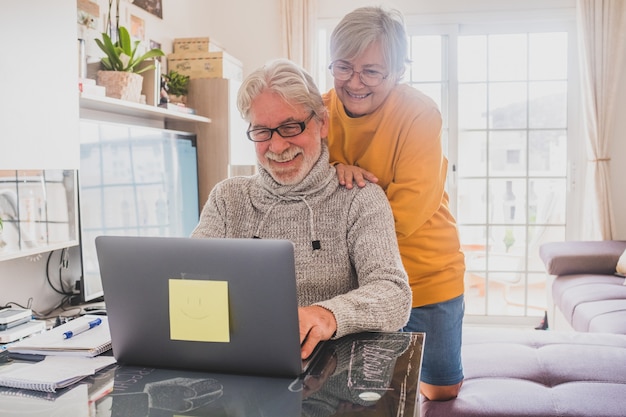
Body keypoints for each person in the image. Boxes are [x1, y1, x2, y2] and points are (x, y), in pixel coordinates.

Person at [191, 58, 412, 361]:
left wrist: (325, 315)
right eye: (262, 131)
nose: (278, 146)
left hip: (336, 370)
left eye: (290, 127)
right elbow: (191, 279)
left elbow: (393, 293)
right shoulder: (228, 197)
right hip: (245, 362)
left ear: (322, 123)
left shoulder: (359, 199)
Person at [323, 6, 466, 401]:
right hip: (355, 284)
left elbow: (407, 210)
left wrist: (344, 196)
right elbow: (305, 187)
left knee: (440, 392)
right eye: (343, 67)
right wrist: (334, 167)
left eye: (372, 71)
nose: (355, 82)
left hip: (426, 274)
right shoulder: (318, 113)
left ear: (400, 70)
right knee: (367, 397)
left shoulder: (419, 114)